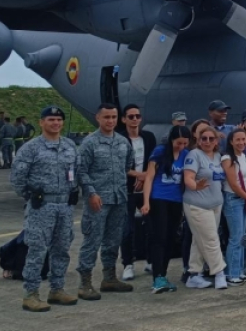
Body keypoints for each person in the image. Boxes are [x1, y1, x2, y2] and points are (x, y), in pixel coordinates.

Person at [9, 106, 80, 312]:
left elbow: (77, 171)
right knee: (37, 250)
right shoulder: (31, 148)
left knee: (62, 248)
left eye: (58, 120)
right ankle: (30, 294)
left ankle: (57, 289)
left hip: (65, 206)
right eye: (50, 119)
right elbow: (17, 178)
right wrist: (31, 197)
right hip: (42, 206)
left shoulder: (69, 146)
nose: (55, 123)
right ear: (41, 122)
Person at [75, 103, 136, 299]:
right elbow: (81, 171)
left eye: (114, 117)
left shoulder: (122, 142)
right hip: (98, 200)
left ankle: (109, 277)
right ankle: (85, 282)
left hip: (119, 199)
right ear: (98, 118)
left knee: (113, 240)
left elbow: (128, 165)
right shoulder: (90, 143)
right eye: (107, 117)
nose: (110, 121)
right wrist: (91, 193)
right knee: (92, 241)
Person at [142, 126, 191, 293]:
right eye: (179, 143)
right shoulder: (160, 151)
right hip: (159, 198)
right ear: (171, 140)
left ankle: (163, 274)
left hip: (176, 200)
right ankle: (157, 277)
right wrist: (146, 201)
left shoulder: (185, 155)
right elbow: (149, 177)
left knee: (171, 238)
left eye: (185, 143)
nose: (182, 146)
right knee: (159, 237)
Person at [181, 125, 228, 289]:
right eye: (203, 138)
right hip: (197, 204)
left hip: (216, 204)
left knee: (199, 239)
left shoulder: (217, 156)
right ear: (198, 140)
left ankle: (194, 274)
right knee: (211, 239)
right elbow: (188, 177)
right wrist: (195, 186)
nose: (207, 141)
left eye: (211, 139)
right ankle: (220, 272)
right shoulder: (194, 155)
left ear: (216, 141)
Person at [118, 104, 156, 281]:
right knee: (127, 229)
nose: (135, 119)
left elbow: (153, 161)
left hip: (146, 188)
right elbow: (119, 166)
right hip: (127, 189)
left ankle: (150, 260)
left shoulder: (148, 137)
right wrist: (140, 176)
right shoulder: (119, 139)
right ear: (124, 119)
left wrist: (145, 178)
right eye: (131, 116)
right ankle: (128, 263)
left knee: (151, 226)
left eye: (137, 116)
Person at [221, 126, 246, 284]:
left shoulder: (244, 156)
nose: (241, 142)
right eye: (238, 139)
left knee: (242, 236)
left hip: (244, 198)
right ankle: (231, 273)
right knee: (235, 237)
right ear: (231, 141)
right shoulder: (227, 159)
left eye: (243, 139)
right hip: (233, 199)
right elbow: (233, 184)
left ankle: (238, 270)